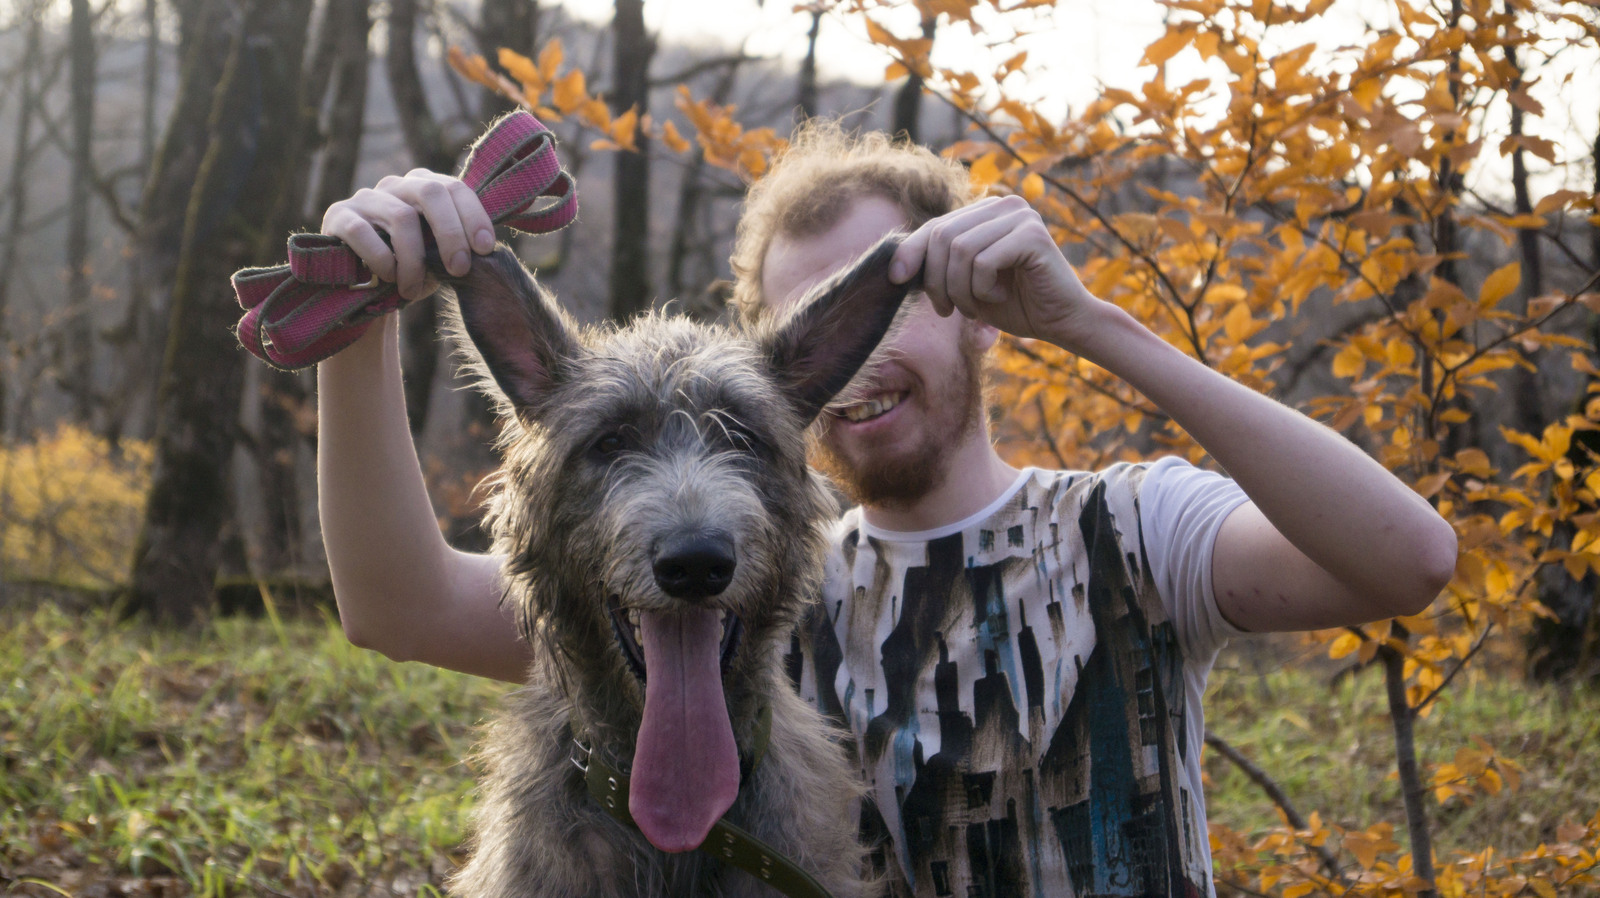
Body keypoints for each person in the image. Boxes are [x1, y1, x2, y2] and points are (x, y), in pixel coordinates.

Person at [315, 122, 1457, 897]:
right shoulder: (762, 584)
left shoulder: (1126, 529)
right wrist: (359, 320)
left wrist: (1095, 324)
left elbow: (1404, 562)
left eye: (887, 294)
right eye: (802, 311)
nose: (851, 355)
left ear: (977, 308)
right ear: (787, 361)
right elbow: (394, 603)